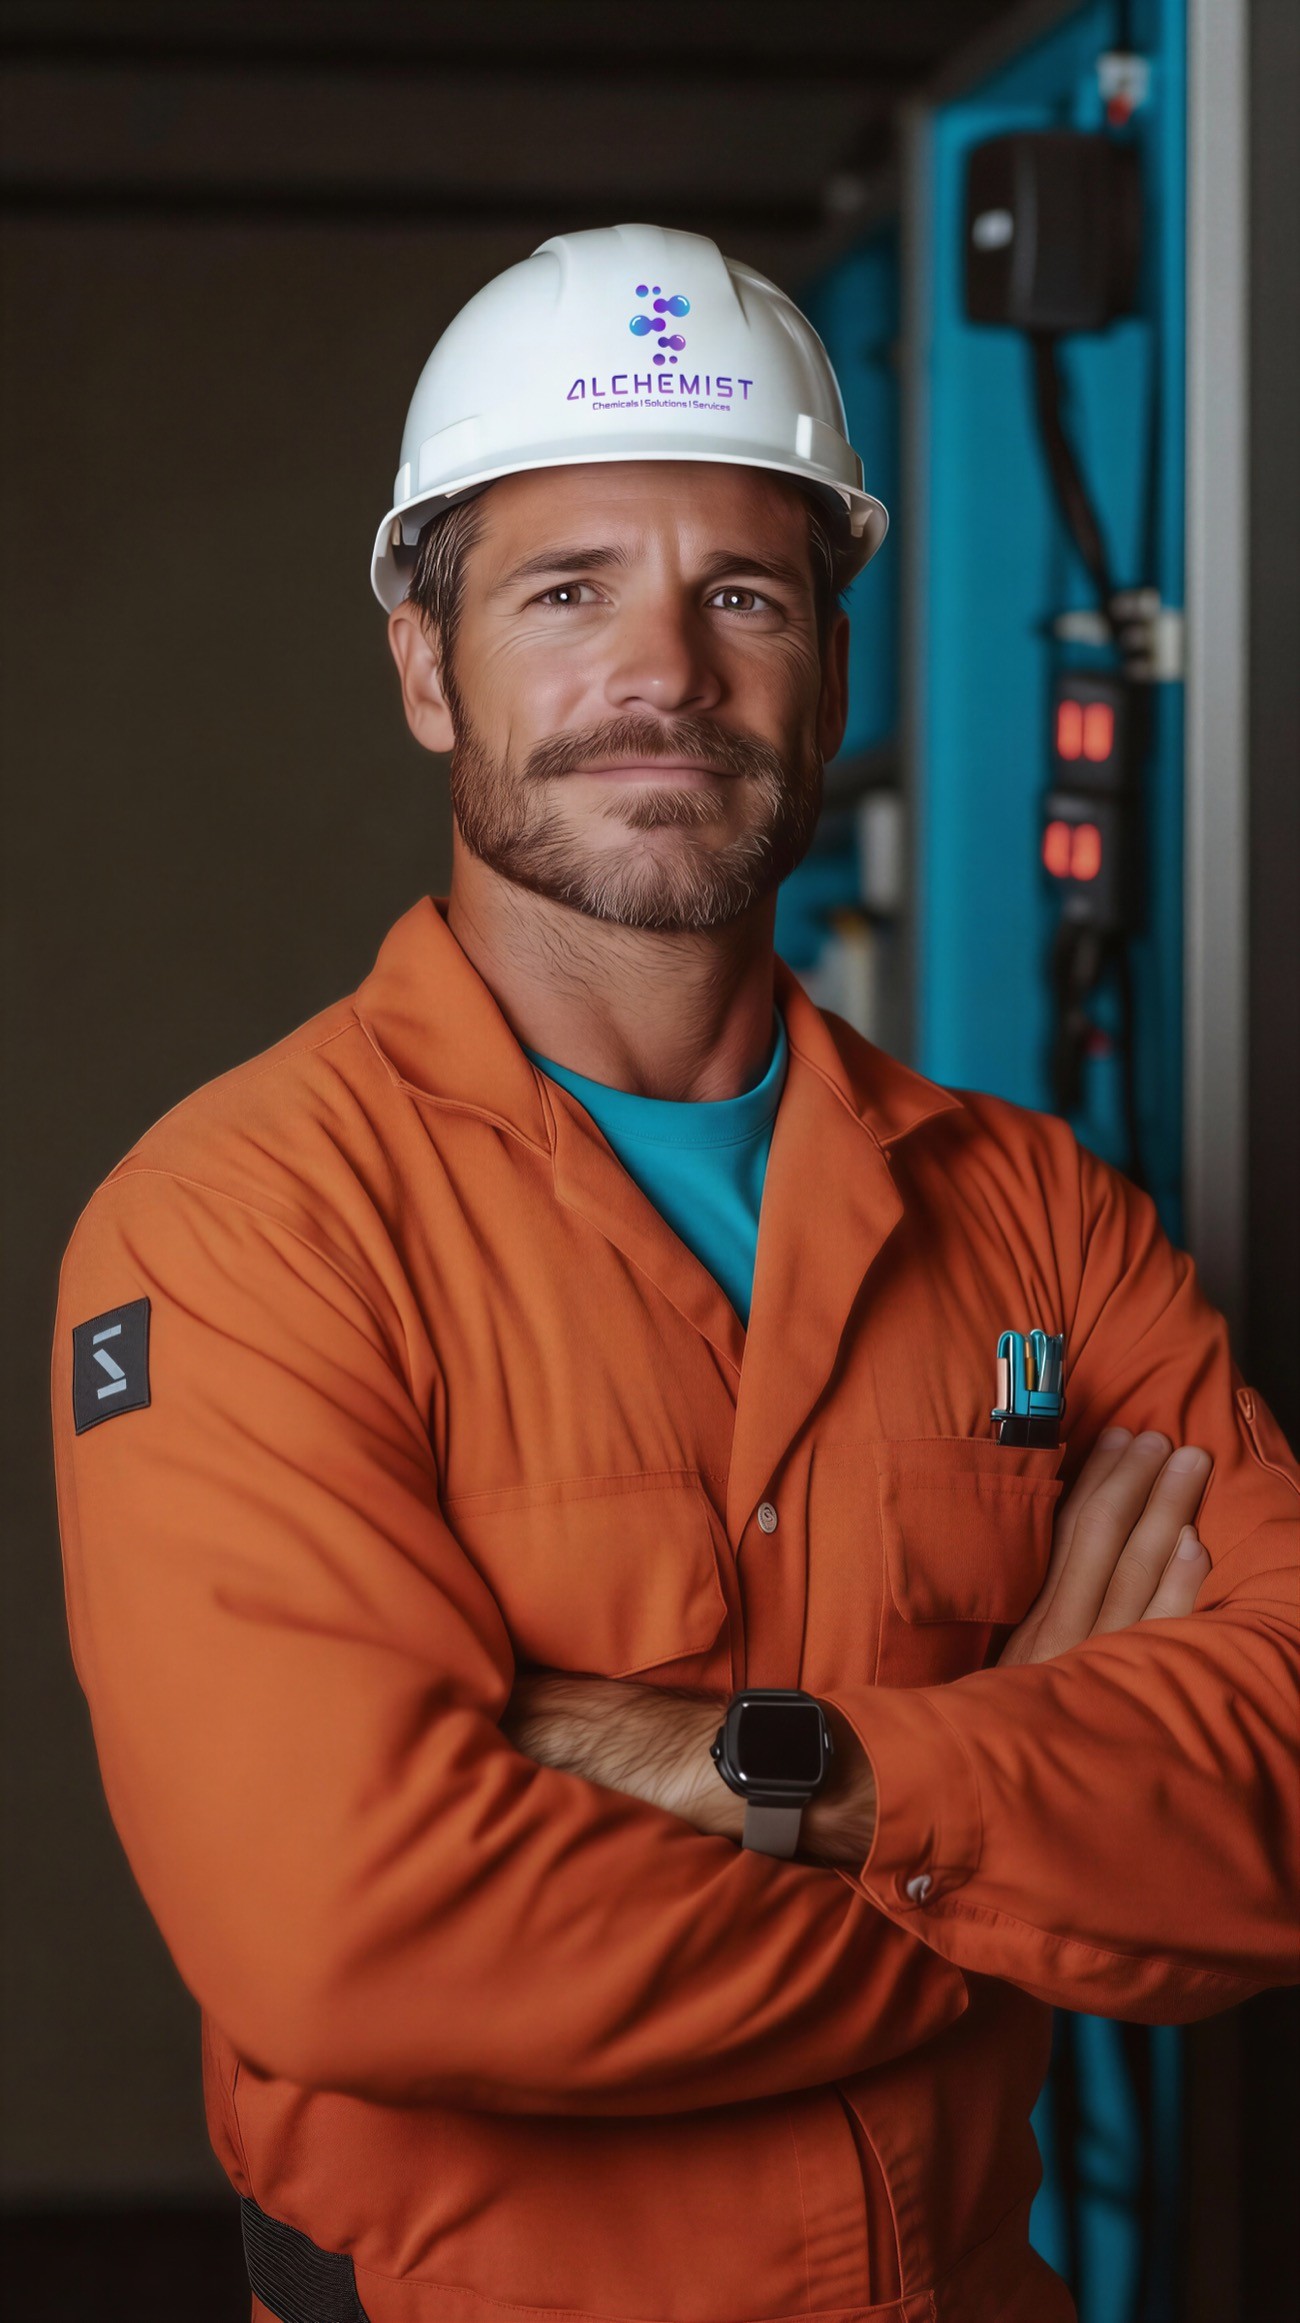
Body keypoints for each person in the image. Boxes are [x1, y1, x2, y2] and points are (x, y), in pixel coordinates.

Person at [51, 225, 1298, 2323]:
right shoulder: (252, 1223)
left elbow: (1276, 1796)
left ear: (831, 667)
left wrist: (783, 1774)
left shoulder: (1033, 1217)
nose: (668, 672)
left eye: (744, 594)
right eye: (567, 592)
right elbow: (357, 1939)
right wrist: (1007, 1828)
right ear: (427, 670)